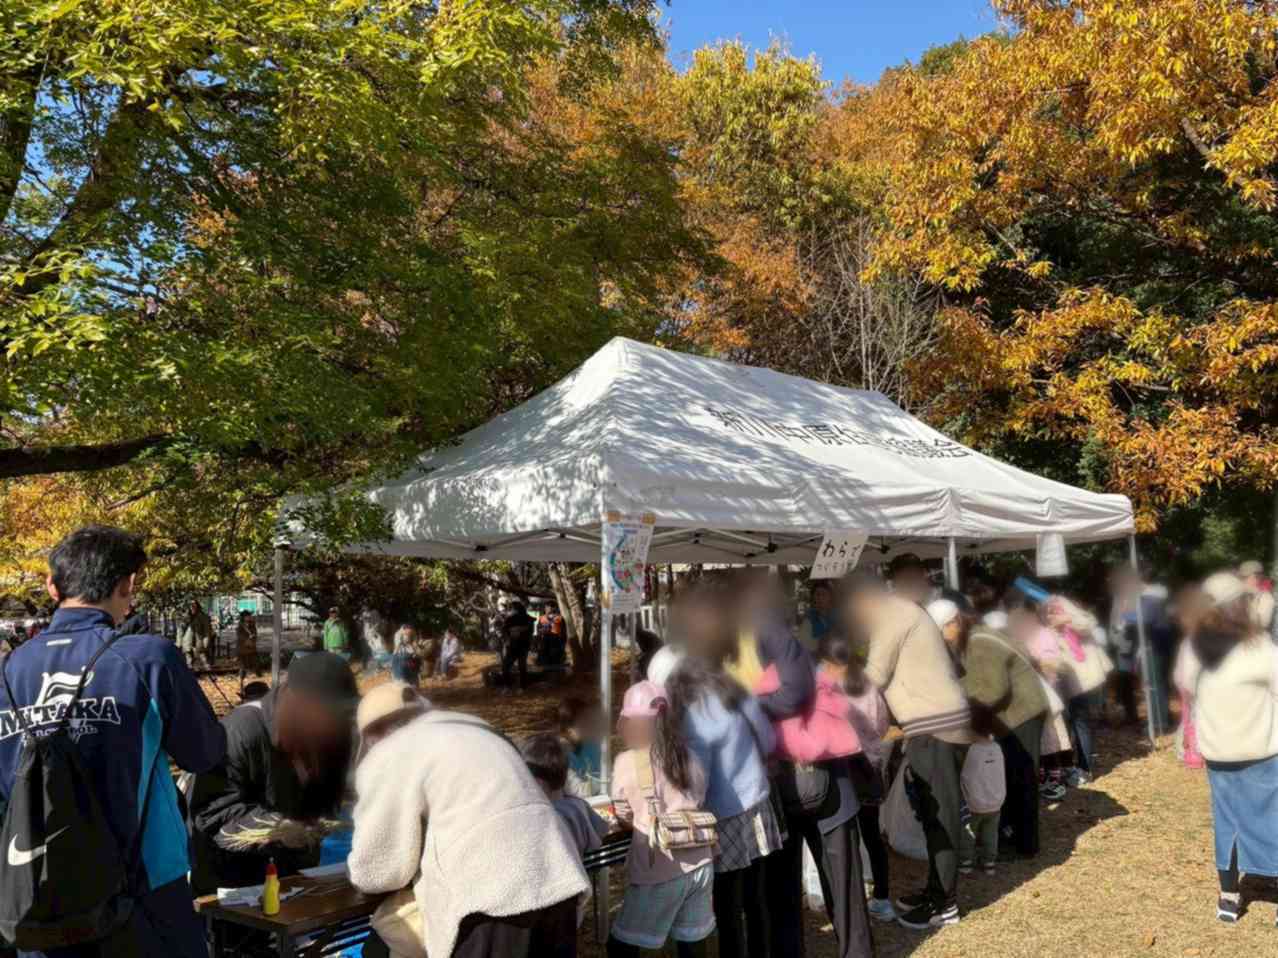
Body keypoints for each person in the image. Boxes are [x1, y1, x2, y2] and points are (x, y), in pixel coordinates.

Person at [0, 525, 227, 958]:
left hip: (36, 890)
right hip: (143, 890)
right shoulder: (148, 657)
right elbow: (205, 753)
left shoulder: (8, 671)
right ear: (128, 585)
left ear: (52, 586)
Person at [349, 683, 589, 958]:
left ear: (371, 736)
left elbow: (378, 870)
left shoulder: (390, 752)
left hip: (492, 902)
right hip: (558, 879)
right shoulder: (482, 732)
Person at [846, 573, 973, 930]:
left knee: (941, 814)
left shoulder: (893, 614)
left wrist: (832, 687)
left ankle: (945, 905)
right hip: (933, 723)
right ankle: (936, 890)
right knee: (933, 814)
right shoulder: (899, 613)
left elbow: (874, 674)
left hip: (938, 724)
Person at [667, 587, 781, 958]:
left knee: (728, 906)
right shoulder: (733, 685)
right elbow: (765, 739)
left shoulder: (695, 709)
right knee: (757, 899)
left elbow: (696, 780)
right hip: (758, 801)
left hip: (727, 814)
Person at [186, 651, 359, 894]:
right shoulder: (240, 732)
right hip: (235, 883)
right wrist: (280, 829)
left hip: (294, 876)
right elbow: (212, 813)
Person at [1175, 572, 1278, 924]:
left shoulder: (1193, 649)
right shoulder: (1259, 646)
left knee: (1228, 821)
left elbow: (1186, 686)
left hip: (1218, 752)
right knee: (1272, 818)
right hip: (1263, 750)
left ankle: (1229, 898)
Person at [933, 598, 1049, 860]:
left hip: (1022, 714)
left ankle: (1027, 844)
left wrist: (959, 705)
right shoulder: (974, 638)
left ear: (954, 622)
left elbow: (992, 689)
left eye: (942, 630)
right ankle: (1010, 834)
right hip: (1012, 715)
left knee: (1023, 778)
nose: (941, 637)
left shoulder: (978, 642)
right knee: (1011, 776)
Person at [606, 681, 715, 958]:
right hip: (701, 861)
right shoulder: (690, 754)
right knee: (691, 944)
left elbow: (624, 814)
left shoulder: (627, 762)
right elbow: (699, 798)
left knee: (621, 945)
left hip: (662, 866)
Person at [830, 633, 895, 922]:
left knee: (846, 840)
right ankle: (882, 897)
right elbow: (882, 725)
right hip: (870, 768)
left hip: (842, 771)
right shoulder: (868, 685)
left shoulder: (829, 689)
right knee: (872, 837)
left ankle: (851, 901)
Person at [1043, 596, 1111, 785]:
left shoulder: (1076, 622)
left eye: (1055, 611)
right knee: (1068, 723)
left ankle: (1085, 768)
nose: (1052, 614)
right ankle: (1070, 766)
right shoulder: (1047, 628)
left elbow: (1088, 622)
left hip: (1083, 681)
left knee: (1080, 722)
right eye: (1050, 611)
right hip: (1062, 683)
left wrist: (1067, 618)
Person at [958, 736, 1006, 876]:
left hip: (975, 802)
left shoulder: (972, 749)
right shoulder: (997, 748)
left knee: (968, 833)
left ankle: (965, 863)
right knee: (991, 834)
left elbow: (967, 775)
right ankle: (989, 863)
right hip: (995, 801)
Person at [558, 697, 605, 797]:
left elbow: (605, 771)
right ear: (568, 729)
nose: (591, 727)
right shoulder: (559, 755)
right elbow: (578, 791)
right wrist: (606, 782)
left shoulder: (592, 746)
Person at [501, 601, 536, 692]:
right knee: (505, 666)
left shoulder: (528, 619)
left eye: (511, 609)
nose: (510, 610)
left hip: (523, 646)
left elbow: (531, 632)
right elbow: (504, 631)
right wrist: (507, 639)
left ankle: (523, 687)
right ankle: (507, 686)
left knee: (522, 666)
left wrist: (520, 631)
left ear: (516, 609)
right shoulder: (509, 619)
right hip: (512, 646)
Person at [797, 580, 836, 654]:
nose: (820, 598)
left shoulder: (836, 617)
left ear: (830, 597)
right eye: (817, 594)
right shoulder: (809, 618)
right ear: (813, 598)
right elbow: (805, 646)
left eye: (823, 594)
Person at [1239, 560, 1274, 633]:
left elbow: (1262, 624)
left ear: (1259, 578)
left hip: (1255, 637)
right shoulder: (1238, 593)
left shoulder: (1265, 598)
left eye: (1246, 577)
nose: (1243, 581)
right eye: (1243, 577)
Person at [179, 598, 214, 667]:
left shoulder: (204, 617)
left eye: (194, 605)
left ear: (197, 606)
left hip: (199, 642)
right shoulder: (185, 617)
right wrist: (179, 642)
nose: (192, 607)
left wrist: (206, 641)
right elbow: (180, 630)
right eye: (190, 605)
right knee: (189, 662)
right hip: (187, 642)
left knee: (205, 660)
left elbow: (207, 630)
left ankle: (210, 673)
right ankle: (190, 674)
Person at [235, 610, 259, 689]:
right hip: (242, 650)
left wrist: (252, 640)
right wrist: (248, 640)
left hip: (251, 650)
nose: (249, 617)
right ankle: (241, 684)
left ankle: (251, 685)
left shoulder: (252, 625)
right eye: (247, 616)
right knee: (242, 668)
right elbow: (240, 636)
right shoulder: (240, 626)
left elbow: (255, 635)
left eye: (249, 616)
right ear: (243, 617)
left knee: (253, 667)